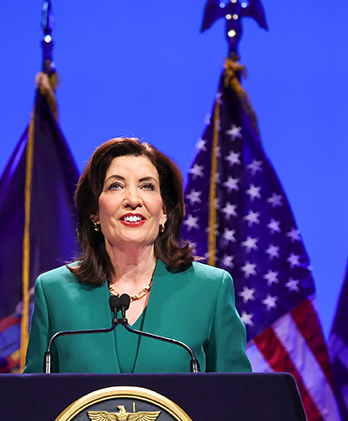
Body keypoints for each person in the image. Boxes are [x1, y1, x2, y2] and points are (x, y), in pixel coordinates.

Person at [23, 137, 252, 374]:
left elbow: (237, 399)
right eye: (116, 186)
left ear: (163, 212)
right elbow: (35, 402)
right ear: (94, 214)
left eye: (147, 186)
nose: (133, 200)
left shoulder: (210, 290)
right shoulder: (54, 292)